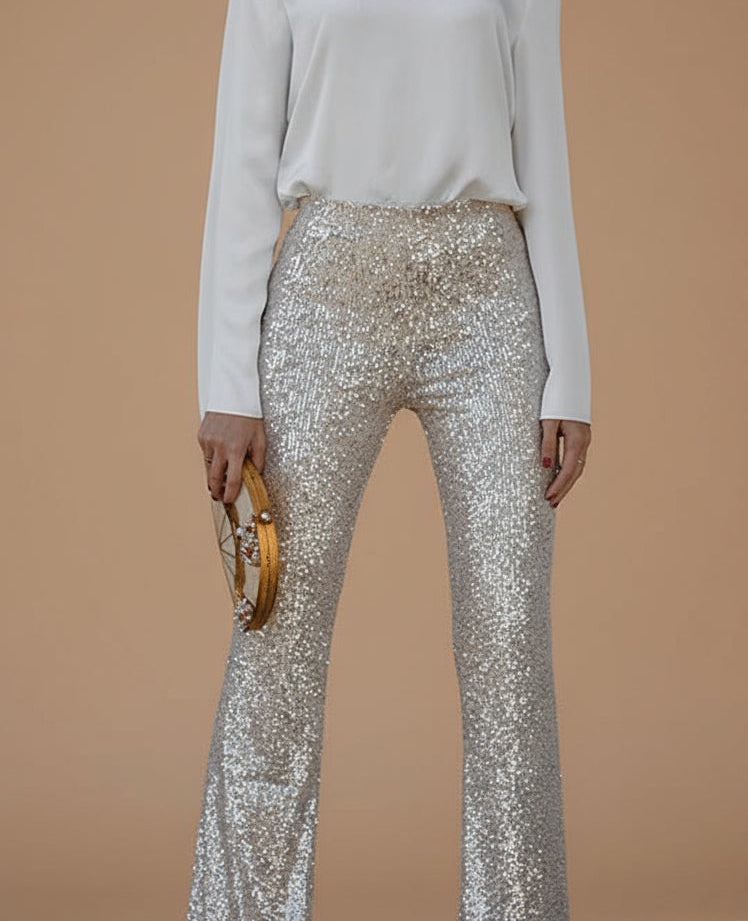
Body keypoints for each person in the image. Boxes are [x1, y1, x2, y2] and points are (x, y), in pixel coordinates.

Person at [188, 0, 593, 919]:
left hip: (487, 298)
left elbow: (545, 145)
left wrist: (570, 368)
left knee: (510, 644)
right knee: (277, 639)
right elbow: (242, 158)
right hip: (327, 291)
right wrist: (228, 380)